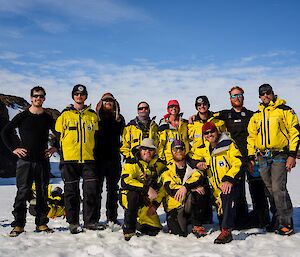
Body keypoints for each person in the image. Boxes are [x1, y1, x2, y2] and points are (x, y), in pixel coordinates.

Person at [1, 86, 57, 237]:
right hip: (25, 161)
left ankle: (41, 223)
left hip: (42, 161)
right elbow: (5, 132)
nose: (38, 98)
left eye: (41, 96)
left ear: (44, 98)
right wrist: (14, 149)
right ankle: (18, 225)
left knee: (42, 192)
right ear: (31, 98)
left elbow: (59, 133)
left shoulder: (47, 117)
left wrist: (54, 148)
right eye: (35, 96)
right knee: (22, 192)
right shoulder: (22, 116)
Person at [214, 86, 270, 229]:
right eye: (234, 96)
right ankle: (241, 219)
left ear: (243, 97)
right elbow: (208, 115)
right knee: (238, 192)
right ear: (230, 98)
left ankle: (263, 219)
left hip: (252, 158)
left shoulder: (252, 114)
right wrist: (193, 117)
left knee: (257, 189)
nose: (237, 98)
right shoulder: (225, 115)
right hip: (235, 160)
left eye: (239, 95)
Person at [247, 84, 300, 235]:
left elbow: (295, 132)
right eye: (262, 94)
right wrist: (251, 157)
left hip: (279, 155)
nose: (265, 95)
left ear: (272, 93)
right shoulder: (256, 115)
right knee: (270, 190)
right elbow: (251, 137)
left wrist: (292, 154)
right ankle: (277, 219)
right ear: (259, 96)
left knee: (278, 188)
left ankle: (286, 223)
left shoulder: (285, 110)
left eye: (268, 92)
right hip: (262, 157)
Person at [55, 84, 102, 234]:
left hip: (88, 160)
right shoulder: (64, 115)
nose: (79, 96)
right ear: (73, 96)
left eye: (82, 94)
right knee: (71, 193)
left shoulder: (92, 116)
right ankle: (73, 222)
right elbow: (57, 137)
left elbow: (97, 137)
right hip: (69, 160)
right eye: (76, 94)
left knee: (91, 192)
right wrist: (61, 154)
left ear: (85, 96)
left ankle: (90, 221)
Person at [189, 122, 243, 244]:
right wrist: (197, 164)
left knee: (227, 193)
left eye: (211, 131)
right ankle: (198, 224)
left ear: (217, 131)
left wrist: (229, 179)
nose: (209, 135)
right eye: (206, 133)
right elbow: (191, 157)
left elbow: (238, 162)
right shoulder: (204, 149)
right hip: (216, 190)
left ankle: (226, 231)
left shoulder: (228, 145)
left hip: (230, 185)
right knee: (199, 191)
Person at [160, 140, 209, 238]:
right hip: (175, 207)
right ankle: (185, 220)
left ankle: (197, 225)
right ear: (172, 152)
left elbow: (198, 177)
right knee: (179, 234)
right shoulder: (167, 170)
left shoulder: (192, 167)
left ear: (185, 150)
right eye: (175, 149)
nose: (178, 151)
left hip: (188, 204)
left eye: (181, 149)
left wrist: (186, 187)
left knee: (200, 191)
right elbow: (171, 189)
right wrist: (189, 188)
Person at [120, 138, 166, 241]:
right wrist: (146, 188)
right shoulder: (131, 162)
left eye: (150, 149)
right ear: (140, 150)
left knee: (155, 230)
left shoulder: (159, 165)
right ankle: (129, 229)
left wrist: (155, 205)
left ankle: (140, 223)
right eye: (144, 149)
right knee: (133, 195)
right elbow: (125, 181)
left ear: (154, 151)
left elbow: (164, 185)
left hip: (147, 201)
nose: (147, 152)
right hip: (129, 197)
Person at [95, 92, 125, 226]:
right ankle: (94, 218)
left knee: (113, 190)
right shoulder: (95, 117)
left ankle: (112, 217)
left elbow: (125, 136)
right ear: (101, 102)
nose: (108, 102)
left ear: (114, 102)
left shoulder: (119, 119)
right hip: (98, 159)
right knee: (97, 190)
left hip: (114, 158)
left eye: (110, 100)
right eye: (105, 100)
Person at [157, 100, 189, 164]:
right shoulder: (164, 125)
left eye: (176, 107)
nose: (173, 108)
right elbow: (161, 144)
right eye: (171, 107)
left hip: (184, 157)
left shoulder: (185, 123)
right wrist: (162, 158)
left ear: (179, 109)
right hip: (169, 159)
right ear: (168, 109)